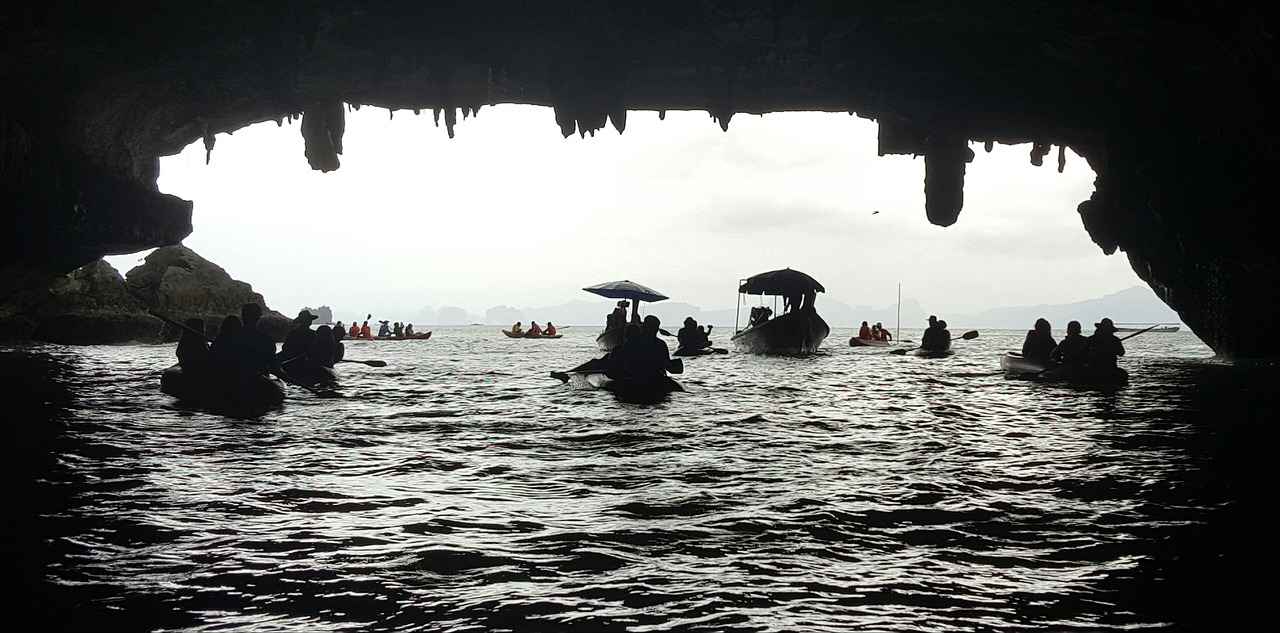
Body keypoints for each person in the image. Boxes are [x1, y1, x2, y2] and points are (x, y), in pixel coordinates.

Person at [610, 315, 671, 382]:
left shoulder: (633, 341)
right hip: (646, 377)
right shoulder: (661, 344)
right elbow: (667, 364)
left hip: (638, 377)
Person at [235, 303, 279, 376]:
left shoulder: (231, 337)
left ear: (243, 316)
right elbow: (275, 369)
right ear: (258, 317)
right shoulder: (266, 341)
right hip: (258, 383)